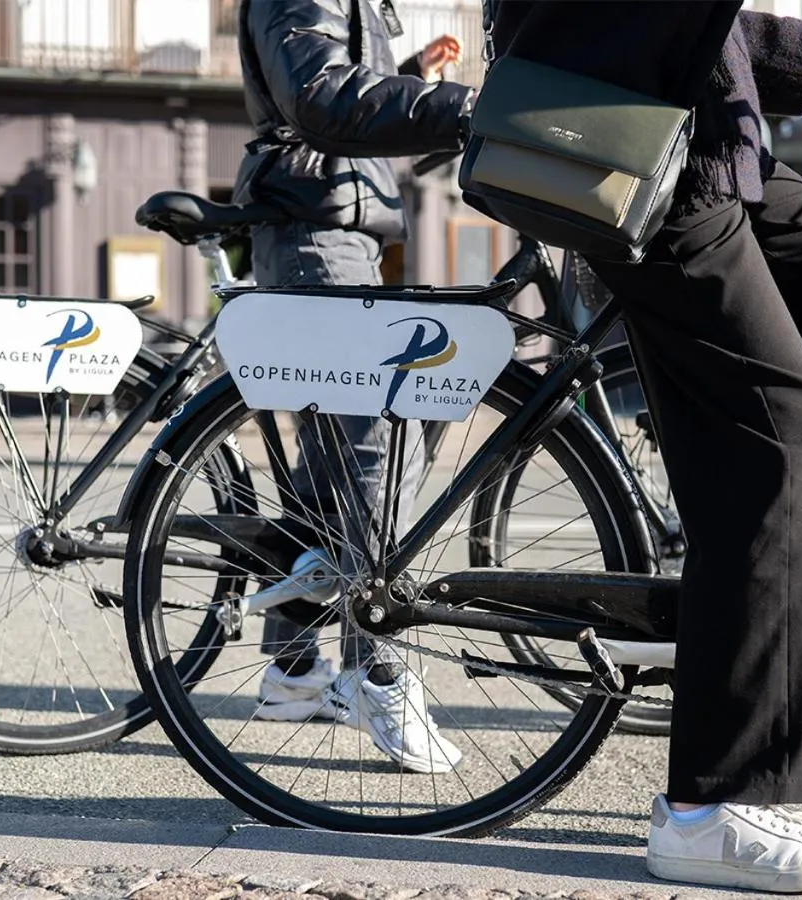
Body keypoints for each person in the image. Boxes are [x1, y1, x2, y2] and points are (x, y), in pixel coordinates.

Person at [487, 1, 802, 893]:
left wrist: (796, 50)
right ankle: (713, 809)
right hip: (646, 158)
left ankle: (795, 579)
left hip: (710, 147)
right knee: (790, 441)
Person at [232, 0, 476, 774]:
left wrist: (408, 82)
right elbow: (321, 98)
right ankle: (380, 674)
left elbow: (339, 95)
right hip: (313, 224)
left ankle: (296, 670)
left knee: (334, 466)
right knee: (378, 450)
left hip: (338, 218)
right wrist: (467, 107)